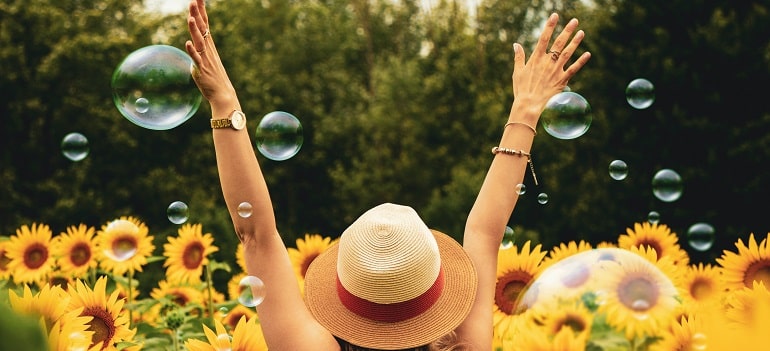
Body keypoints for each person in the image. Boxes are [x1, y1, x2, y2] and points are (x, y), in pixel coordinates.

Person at [184, 0, 590, 349]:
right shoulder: (465, 346)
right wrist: (526, 109)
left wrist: (224, 103)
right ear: (437, 292)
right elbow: (485, 231)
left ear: (345, 296)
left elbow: (256, 234)